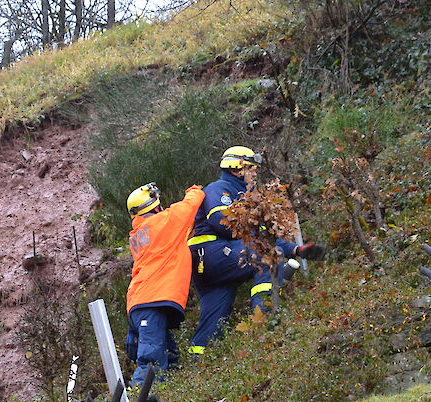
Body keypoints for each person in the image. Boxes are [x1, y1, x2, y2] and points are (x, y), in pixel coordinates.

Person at [187, 146, 323, 353]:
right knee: (267, 256)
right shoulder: (219, 189)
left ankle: (198, 358)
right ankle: (264, 318)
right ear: (236, 169)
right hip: (212, 253)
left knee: (215, 316)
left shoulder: (248, 195)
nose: (254, 174)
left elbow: (261, 239)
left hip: (211, 264)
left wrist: (296, 250)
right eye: (251, 168)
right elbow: (222, 222)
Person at [124, 182, 206, 387]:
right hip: (152, 301)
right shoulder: (164, 222)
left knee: (170, 360)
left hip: (140, 303)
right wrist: (194, 189)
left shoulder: (139, 234)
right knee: (151, 363)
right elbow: (191, 204)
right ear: (156, 207)